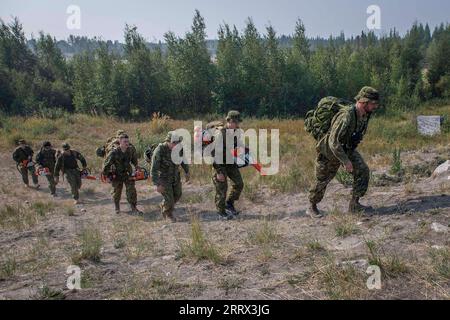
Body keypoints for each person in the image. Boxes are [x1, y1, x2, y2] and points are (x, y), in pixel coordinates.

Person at [307, 86, 380, 218]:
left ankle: (354, 205)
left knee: (362, 170)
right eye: (373, 104)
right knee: (323, 180)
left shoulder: (365, 115)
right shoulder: (346, 115)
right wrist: (345, 161)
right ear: (364, 102)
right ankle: (311, 207)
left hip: (346, 148)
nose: (375, 106)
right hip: (331, 151)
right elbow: (333, 142)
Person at [211, 110, 244, 220]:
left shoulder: (236, 131)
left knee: (239, 184)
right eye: (236, 122)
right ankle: (221, 212)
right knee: (222, 188)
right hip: (220, 164)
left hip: (230, 162)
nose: (237, 124)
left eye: (238, 122)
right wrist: (219, 171)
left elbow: (238, 144)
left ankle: (229, 204)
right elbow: (213, 153)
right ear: (229, 121)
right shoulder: (220, 133)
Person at [150, 131, 190, 222]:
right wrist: (157, 184)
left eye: (178, 142)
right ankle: (168, 213)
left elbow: (183, 160)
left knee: (178, 194)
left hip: (175, 176)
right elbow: (153, 169)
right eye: (174, 143)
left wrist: (187, 172)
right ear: (167, 141)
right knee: (170, 200)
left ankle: (165, 205)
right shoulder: (160, 150)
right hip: (163, 179)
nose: (176, 145)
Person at [102, 134, 143, 215]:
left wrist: (136, 166)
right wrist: (106, 175)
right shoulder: (114, 152)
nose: (127, 143)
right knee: (117, 192)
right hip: (116, 175)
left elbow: (134, 159)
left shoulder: (130, 150)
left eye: (128, 141)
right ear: (120, 142)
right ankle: (117, 207)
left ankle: (133, 207)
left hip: (128, 174)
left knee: (131, 190)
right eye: (125, 141)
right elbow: (107, 165)